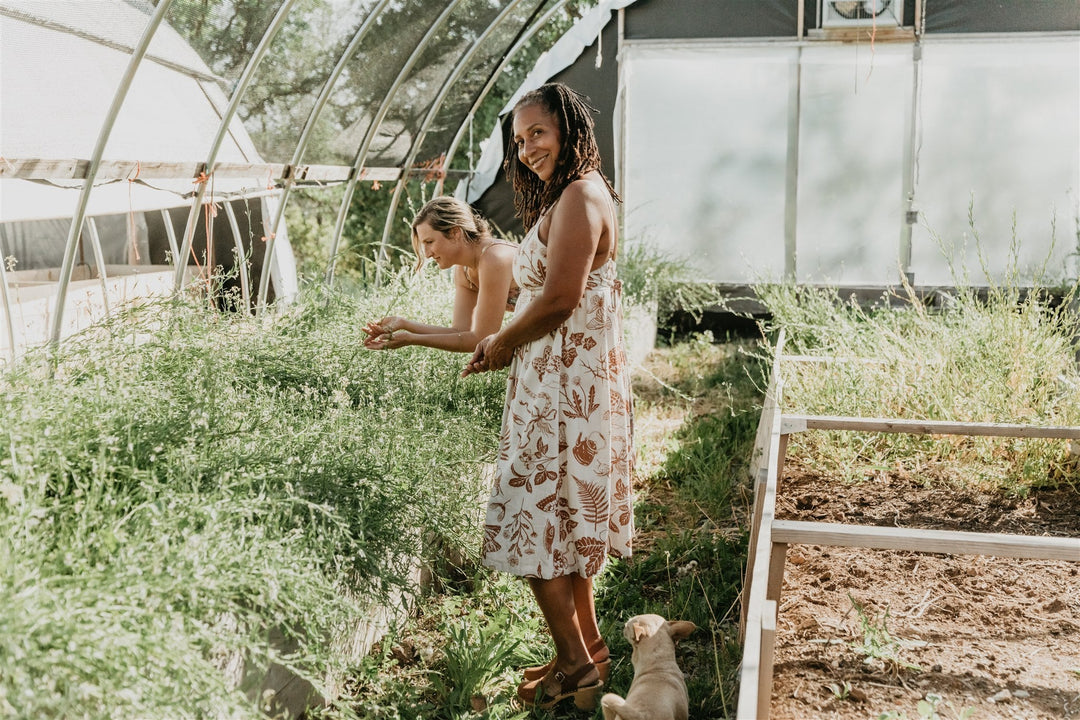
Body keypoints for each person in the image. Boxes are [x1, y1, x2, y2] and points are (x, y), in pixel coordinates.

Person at [461, 82, 634, 710]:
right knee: (562, 520)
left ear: (567, 127)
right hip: (557, 384)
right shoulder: (570, 196)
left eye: (537, 133)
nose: (527, 147)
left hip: (567, 392)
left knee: (532, 520)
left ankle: (573, 667)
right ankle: (588, 650)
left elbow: (561, 299)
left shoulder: (584, 194)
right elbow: (550, 295)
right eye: (518, 140)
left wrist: (501, 343)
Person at [362, 196, 519, 352]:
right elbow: (459, 332)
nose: (428, 254)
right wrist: (404, 324)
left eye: (429, 242)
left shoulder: (493, 258)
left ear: (455, 232)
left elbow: (481, 339)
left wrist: (411, 339)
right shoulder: (464, 271)